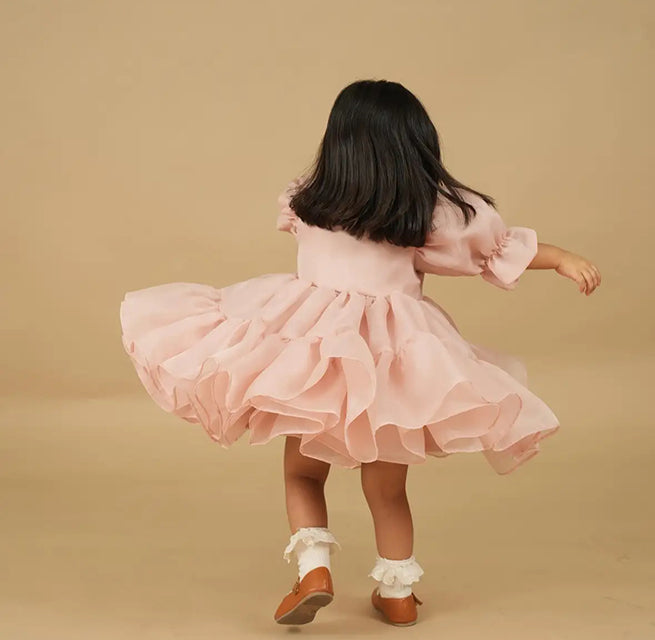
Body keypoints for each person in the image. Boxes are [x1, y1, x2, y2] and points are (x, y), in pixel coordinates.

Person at [119, 79, 601, 627]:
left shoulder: (309, 198)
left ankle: (313, 570)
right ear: (414, 145)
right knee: (387, 488)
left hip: (314, 350)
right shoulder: (425, 211)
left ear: (337, 141)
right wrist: (560, 257)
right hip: (393, 358)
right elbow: (489, 248)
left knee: (303, 472)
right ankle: (397, 592)